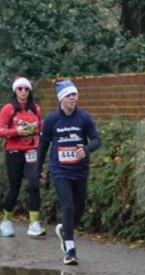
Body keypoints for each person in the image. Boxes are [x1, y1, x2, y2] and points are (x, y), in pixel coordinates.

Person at [37, 79, 101, 265]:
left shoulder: (83, 117)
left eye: (75, 95)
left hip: (80, 170)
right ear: (61, 99)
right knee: (68, 206)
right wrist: (39, 168)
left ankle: (66, 230)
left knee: (79, 208)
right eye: (69, 95)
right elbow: (43, 145)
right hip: (60, 170)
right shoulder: (51, 120)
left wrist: (87, 149)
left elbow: (97, 140)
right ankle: (70, 249)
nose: (73, 98)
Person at [0, 76, 45, 237]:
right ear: (15, 91)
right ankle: (7, 220)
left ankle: (34, 223)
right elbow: (0, 131)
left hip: (32, 151)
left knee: (34, 184)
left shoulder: (36, 108)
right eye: (20, 89)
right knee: (14, 188)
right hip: (14, 152)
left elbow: (41, 130)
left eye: (26, 89)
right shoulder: (9, 108)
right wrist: (17, 131)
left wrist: (39, 145)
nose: (23, 92)